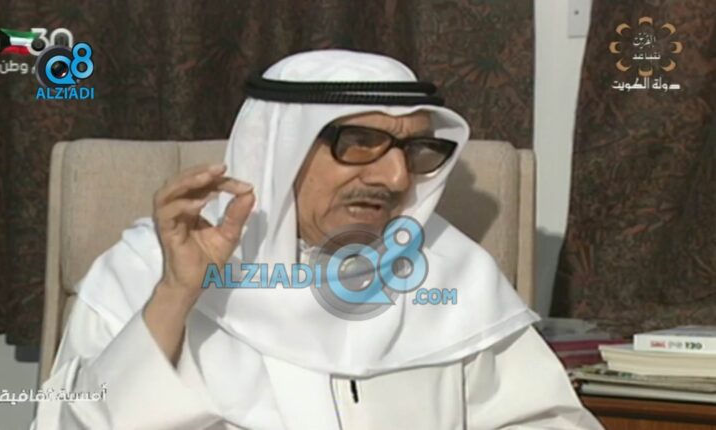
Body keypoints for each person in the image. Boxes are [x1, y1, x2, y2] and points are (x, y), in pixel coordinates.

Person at [33, 50, 603, 429]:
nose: (396, 178)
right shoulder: (142, 271)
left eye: (413, 150)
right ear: (279, 150)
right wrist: (175, 297)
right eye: (361, 142)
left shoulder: (453, 273)